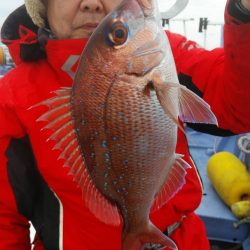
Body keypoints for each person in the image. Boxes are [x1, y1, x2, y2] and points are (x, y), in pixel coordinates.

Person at [0, 0, 249, 249]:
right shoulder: (12, 96)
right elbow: (4, 218)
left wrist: (243, 10)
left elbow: (239, 110)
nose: (90, 4)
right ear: (44, 6)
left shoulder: (164, 53)